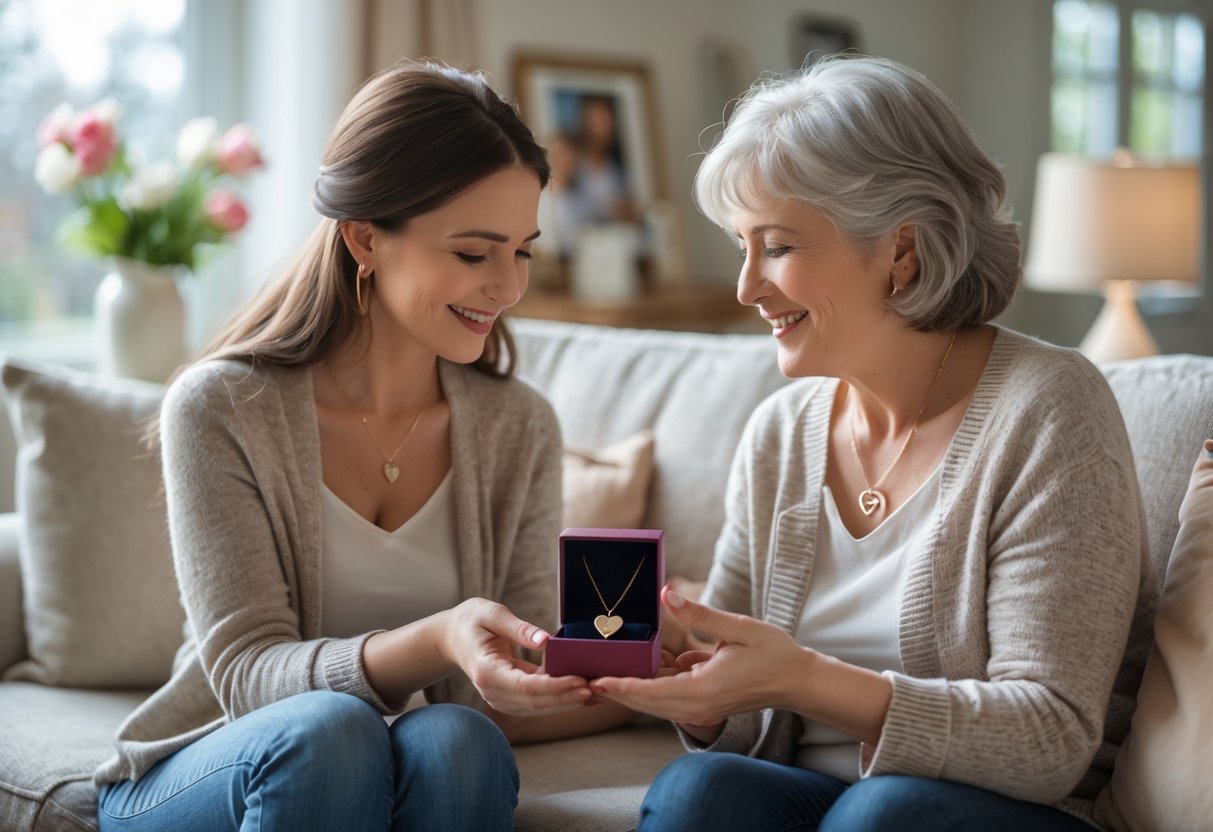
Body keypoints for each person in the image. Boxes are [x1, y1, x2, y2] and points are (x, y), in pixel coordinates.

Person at [592, 55, 1154, 831]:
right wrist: (699, 696)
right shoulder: (781, 435)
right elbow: (751, 726)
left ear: (901, 249)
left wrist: (807, 680)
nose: (745, 287)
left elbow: (1047, 737)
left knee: (879, 815)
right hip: (823, 799)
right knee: (700, 793)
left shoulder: (1050, 409)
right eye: (740, 246)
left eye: (778, 246)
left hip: (1004, 810)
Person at [94, 61, 621, 832]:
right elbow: (245, 675)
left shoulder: (519, 427)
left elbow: (499, 687)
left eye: (523, 251)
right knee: (331, 732)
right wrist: (439, 636)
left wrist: (635, 670)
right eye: (475, 254)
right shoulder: (222, 409)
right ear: (365, 239)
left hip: (392, 762)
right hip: (207, 765)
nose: (509, 287)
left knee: (458, 739)